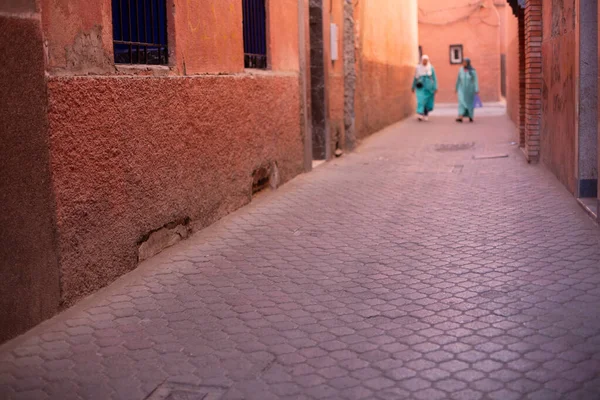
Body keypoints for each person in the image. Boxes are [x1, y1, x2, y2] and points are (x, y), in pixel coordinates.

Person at [412, 55, 437, 121]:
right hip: (420, 86)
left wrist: (435, 87)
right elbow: (415, 78)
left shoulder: (431, 68)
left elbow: (434, 78)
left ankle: (426, 113)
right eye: (423, 60)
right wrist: (413, 86)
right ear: (421, 60)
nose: (424, 62)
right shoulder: (418, 68)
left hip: (429, 87)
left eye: (426, 60)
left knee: (427, 101)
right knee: (420, 100)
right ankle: (420, 114)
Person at [455, 58, 479, 122]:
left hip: (470, 90)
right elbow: (458, 79)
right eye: (463, 62)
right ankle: (460, 116)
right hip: (461, 89)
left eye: (465, 62)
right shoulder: (460, 70)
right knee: (461, 102)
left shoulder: (472, 71)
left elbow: (475, 80)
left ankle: (471, 116)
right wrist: (456, 87)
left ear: (468, 63)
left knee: (470, 103)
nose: (463, 63)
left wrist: (476, 89)